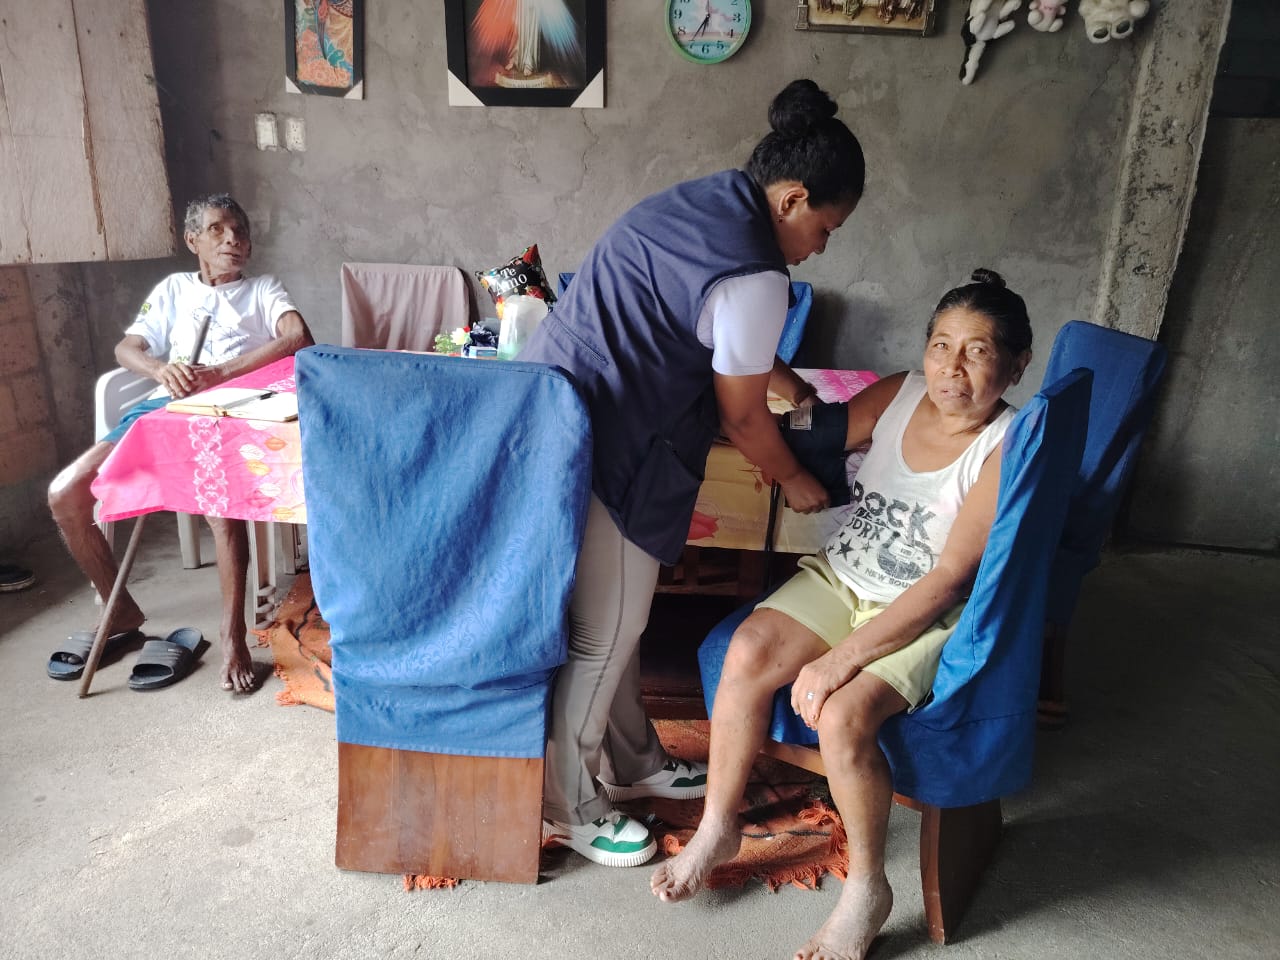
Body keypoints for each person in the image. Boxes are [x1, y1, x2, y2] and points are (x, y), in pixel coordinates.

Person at [519, 79, 866, 867]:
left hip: (556, 407)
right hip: (606, 436)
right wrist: (794, 479)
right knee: (605, 633)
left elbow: (723, 333)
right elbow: (742, 418)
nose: (820, 246)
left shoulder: (706, 202)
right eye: (824, 227)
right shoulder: (757, 271)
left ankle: (635, 761)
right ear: (793, 199)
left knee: (620, 624)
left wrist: (790, 387)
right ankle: (567, 804)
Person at [649, 269, 1033, 960]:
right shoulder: (900, 392)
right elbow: (818, 430)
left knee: (842, 714)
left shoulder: (1005, 445)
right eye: (941, 345)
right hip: (845, 575)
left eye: (978, 351)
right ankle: (719, 825)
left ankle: (867, 888)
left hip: (923, 607)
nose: (952, 368)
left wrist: (839, 661)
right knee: (745, 651)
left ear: (1016, 365)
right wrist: (749, 408)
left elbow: (950, 578)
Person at [47, 193, 314, 693]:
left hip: (230, 415)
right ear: (193, 240)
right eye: (217, 230)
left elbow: (298, 336)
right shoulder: (173, 290)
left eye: (239, 230)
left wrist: (220, 373)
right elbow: (127, 348)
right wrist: (160, 370)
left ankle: (232, 633)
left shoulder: (263, 289)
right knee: (65, 495)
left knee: (221, 507)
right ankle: (121, 609)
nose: (232, 239)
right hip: (164, 411)